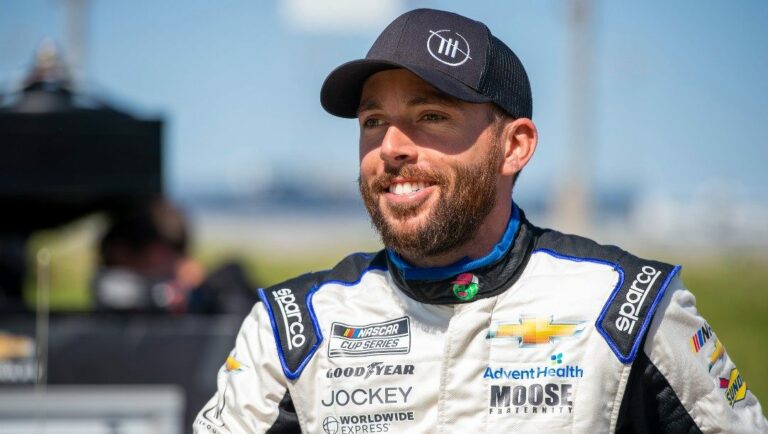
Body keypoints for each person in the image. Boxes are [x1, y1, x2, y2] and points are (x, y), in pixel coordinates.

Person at [194, 8, 767, 433]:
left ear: (514, 147)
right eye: (373, 121)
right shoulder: (292, 326)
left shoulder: (627, 308)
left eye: (431, 116)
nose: (391, 147)